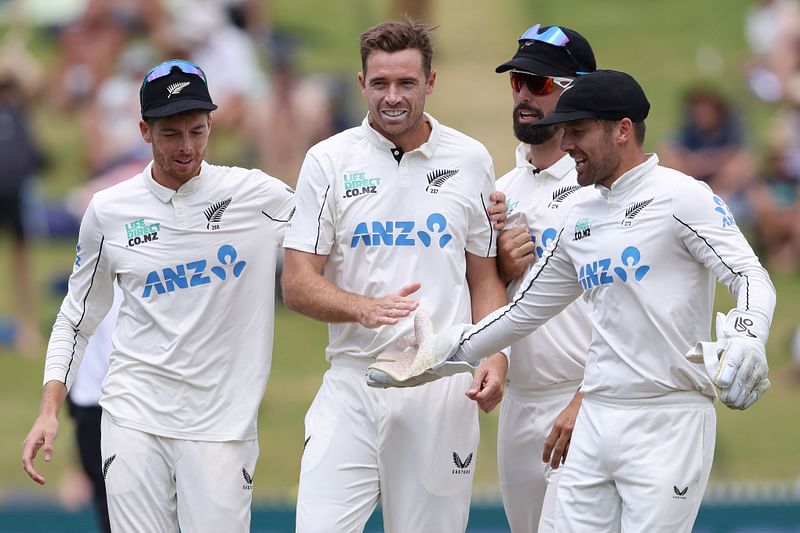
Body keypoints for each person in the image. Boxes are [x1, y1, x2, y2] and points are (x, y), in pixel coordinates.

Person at [369, 69, 776, 532]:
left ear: (622, 130)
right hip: (597, 421)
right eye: (564, 133)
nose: (565, 145)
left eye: (578, 132)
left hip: (669, 419)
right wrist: (436, 354)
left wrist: (749, 336)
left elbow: (750, 276)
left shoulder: (682, 197)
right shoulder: (581, 216)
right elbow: (522, 313)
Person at [22, 59, 295, 533]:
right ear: (145, 131)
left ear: (212, 123)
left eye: (197, 129)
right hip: (132, 418)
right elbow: (75, 319)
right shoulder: (109, 211)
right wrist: (48, 411)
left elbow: (334, 237)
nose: (187, 147)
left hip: (222, 428)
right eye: (171, 133)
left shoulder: (258, 196)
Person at [281, 18, 509, 533]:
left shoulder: (470, 159)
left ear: (431, 82)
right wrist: (364, 307)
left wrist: (496, 355)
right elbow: (296, 281)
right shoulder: (329, 160)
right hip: (353, 381)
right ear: (361, 84)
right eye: (380, 83)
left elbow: (485, 280)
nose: (392, 96)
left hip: (440, 386)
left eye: (406, 83)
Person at [492, 24, 596, 533]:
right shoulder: (498, 190)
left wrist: (586, 398)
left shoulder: (599, 189)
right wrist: (502, 267)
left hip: (584, 397)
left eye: (541, 84)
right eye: (518, 83)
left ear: (576, 90)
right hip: (519, 404)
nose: (525, 96)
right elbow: (485, 297)